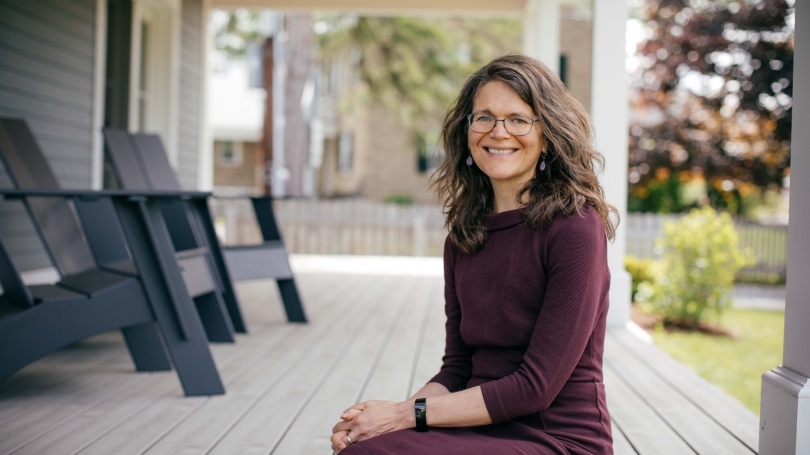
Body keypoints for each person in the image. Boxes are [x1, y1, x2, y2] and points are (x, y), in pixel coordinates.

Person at [330, 54, 618, 455]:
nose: (499, 132)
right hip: (474, 429)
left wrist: (404, 416)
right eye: (483, 118)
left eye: (519, 119)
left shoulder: (575, 229)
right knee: (364, 446)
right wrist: (386, 419)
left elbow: (536, 387)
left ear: (548, 135)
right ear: (467, 132)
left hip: (556, 438)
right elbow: (457, 368)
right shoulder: (465, 235)